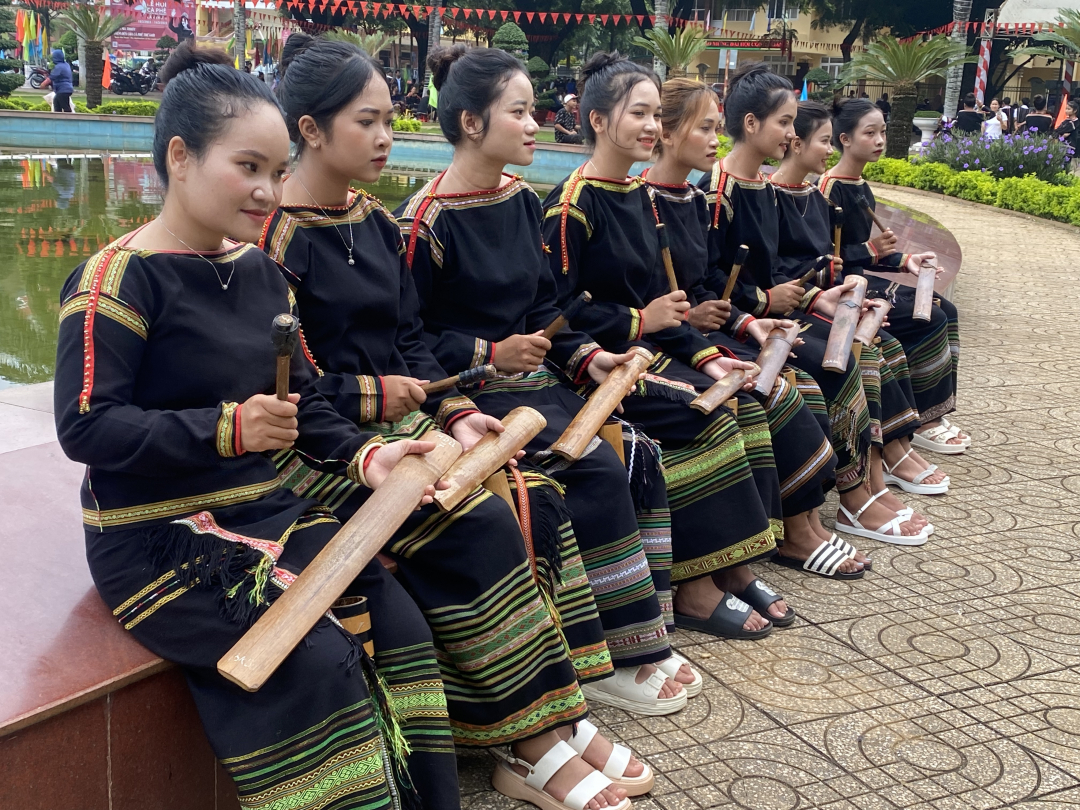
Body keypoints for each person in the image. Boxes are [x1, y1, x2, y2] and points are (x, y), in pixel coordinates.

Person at [55, 43, 460, 810]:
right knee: (309, 656)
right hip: (154, 534)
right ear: (180, 156)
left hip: (264, 510)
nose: (269, 190)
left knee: (398, 622)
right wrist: (225, 429)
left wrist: (368, 458)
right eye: (248, 167)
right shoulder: (114, 279)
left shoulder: (262, 270)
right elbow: (87, 428)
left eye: (276, 172)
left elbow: (302, 400)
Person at [264, 36, 644, 810]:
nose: (384, 136)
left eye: (385, 119)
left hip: (405, 428)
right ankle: (530, 739)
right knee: (484, 516)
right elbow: (300, 385)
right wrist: (388, 406)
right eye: (366, 121)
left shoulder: (372, 221)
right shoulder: (278, 239)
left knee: (523, 486)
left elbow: (410, 337)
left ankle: (550, 714)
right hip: (326, 444)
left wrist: (461, 412)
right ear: (309, 130)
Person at [399, 43, 700, 720]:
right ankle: (609, 658)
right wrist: (489, 350)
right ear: (473, 123)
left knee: (636, 448)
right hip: (473, 394)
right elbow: (409, 339)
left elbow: (545, 309)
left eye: (534, 110)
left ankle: (641, 637)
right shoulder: (425, 222)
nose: (537, 123)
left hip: (537, 384)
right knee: (593, 465)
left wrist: (593, 361)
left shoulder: (518, 201)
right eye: (521, 111)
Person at [543, 52, 798, 642]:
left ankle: (731, 566)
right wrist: (637, 321)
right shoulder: (569, 204)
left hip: (647, 347)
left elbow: (671, 301)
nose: (653, 127)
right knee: (699, 413)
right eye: (640, 113)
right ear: (598, 120)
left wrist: (710, 353)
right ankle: (693, 586)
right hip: (594, 363)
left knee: (738, 394)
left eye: (657, 114)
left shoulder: (636, 196)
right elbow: (557, 312)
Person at [647, 77, 888, 566]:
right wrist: (751, 308)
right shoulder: (706, 193)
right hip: (671, 340)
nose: (792, 134)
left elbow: (738, 275)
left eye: (717, 126)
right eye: (784, 122)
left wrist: (809, 296)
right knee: (797, 380)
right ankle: (797, 525)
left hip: (720, 326)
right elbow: (694, 288)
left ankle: (838, 500)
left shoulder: (712, 195)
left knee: (847, 358)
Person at [773, 100, 943, 539]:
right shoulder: (746, 193)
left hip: (819, 299)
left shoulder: (810, 194)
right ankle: (854, 493)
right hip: (778, 313)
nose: (828, 150)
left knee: (887, 338)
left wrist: (880, 269)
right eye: (825, 140)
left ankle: (881, 470)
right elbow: (759, 278)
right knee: (852, 354)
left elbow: (822, 264)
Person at [820, 99, 969, 455]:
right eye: (869, 133)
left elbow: (873, 250)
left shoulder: (859, 185)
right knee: (927, 317)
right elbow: (827, 257)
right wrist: (873, 251)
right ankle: (924, 422)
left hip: (863, 280)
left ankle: (932, 409)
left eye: (882, 132)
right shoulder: (830, 189)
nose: (879, 140)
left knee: (945, 309)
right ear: (844, 139)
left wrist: (906, 261)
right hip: (843, 289)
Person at [47, 48, 73, 113]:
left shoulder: (59, 67)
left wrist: (42, 84)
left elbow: (52, 77)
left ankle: (70, 120)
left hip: (63, 90)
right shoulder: (66, 64)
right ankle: (58, 119)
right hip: (66, 89)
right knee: (56, 103)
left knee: (65, 106)